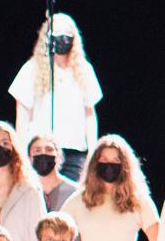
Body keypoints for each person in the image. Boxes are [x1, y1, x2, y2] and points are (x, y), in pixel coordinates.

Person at [7, 12, 102, 179]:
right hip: (40, 150)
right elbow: (22, 115)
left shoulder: (84, 70)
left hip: (74, 151)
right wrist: (21, 152)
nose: (62, 39)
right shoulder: (31, 68)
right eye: (57, 34)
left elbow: (90, 114)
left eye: (66, 34)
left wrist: (92, 151)